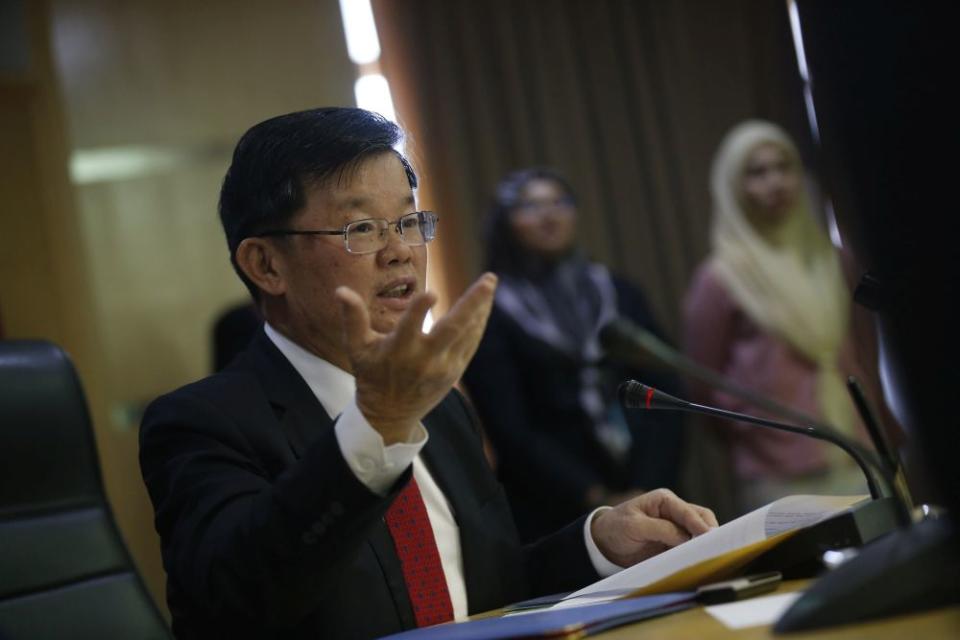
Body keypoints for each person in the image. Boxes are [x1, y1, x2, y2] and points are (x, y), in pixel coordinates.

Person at [138, 108, 716, 639]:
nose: (401, 252)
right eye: (361, 229)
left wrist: (598, 543)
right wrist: (376, 427)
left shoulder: (439, 405)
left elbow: (484, 591)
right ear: (265, 265)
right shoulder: (200, 423)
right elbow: (242, 601)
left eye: (410, 222)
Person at [462, 168, 687, 542]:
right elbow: (511, 429)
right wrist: (596, 497)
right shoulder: (488, 311)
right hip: (554, 511)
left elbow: (667, 390)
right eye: (531, 206)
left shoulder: (617, 292)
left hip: (650, 491)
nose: (549, 215)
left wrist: (647, 486)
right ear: (505, 223)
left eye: (559, 202)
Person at [683, 119, 872, 513]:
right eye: (757, 172)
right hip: (779, 476)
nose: (776, 182)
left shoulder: (833, 260)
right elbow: (703, 387)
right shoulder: (719, 280)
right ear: (733, 186)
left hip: (858, 453)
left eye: (784, 167)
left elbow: (863, 352)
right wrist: (759, 430)